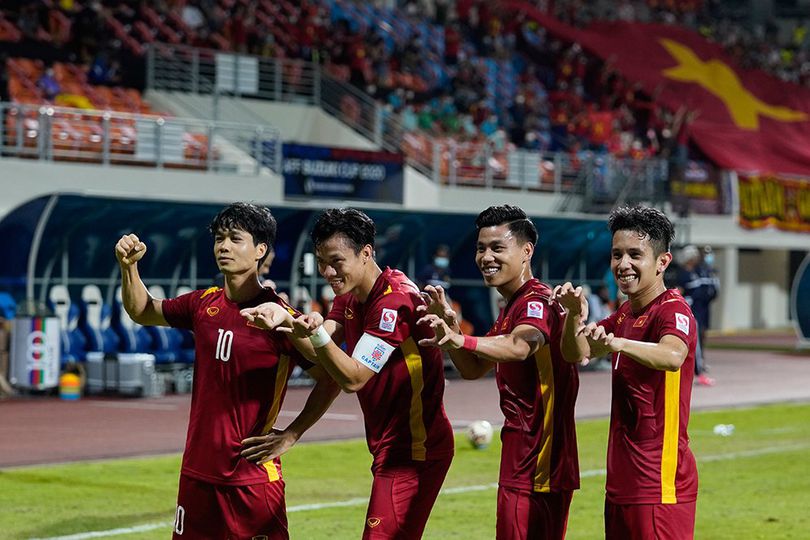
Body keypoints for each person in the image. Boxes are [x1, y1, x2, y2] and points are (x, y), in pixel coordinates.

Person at [115, 202, 339, 539]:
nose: (224, 246)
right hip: (196, 475)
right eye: (220, 238)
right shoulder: (203, 304)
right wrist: (129, 268)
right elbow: (143, 311)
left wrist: (292, 433)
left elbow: (331, 379)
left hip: (251, 480)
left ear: (260, 251)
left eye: (236, 239)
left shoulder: (281, 317)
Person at [243, 208, 454, 539]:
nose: (327, 271)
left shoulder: (393, 301)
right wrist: (286, 321)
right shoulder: (352, 296)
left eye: (336, 261)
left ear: (366, 253)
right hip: (390, 446)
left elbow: (352, 377)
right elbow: (324, 360)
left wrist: (303, 329)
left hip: (416, 450)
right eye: (321, 262)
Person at [417, 205, 580, 540]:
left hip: (540, 462)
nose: (486, 257)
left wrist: (462, 337)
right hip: (521, 458)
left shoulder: (537, 301)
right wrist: (450, 332)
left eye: (496, 248)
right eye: (480, 248)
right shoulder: (511, 309)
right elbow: (474, 369)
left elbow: (520, 347)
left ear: (526, 251)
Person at [553, 205, 699, 540]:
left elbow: (672, 355)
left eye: (635, 254)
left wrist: (617, 345)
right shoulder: (624, 314)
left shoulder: (673, 310)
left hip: (659, 480)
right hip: (622, 479)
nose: (623, 264)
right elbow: (575, 352)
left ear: (662, 262)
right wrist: (573, 317)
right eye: (617, 254)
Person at [677, 244, 717, 386]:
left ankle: (697, 369)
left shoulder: (699, 271)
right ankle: (698, 373)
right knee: (694, 343)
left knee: (699, 341)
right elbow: (679, 293)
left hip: (700, 311)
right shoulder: (683, 274)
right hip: (691, 313)